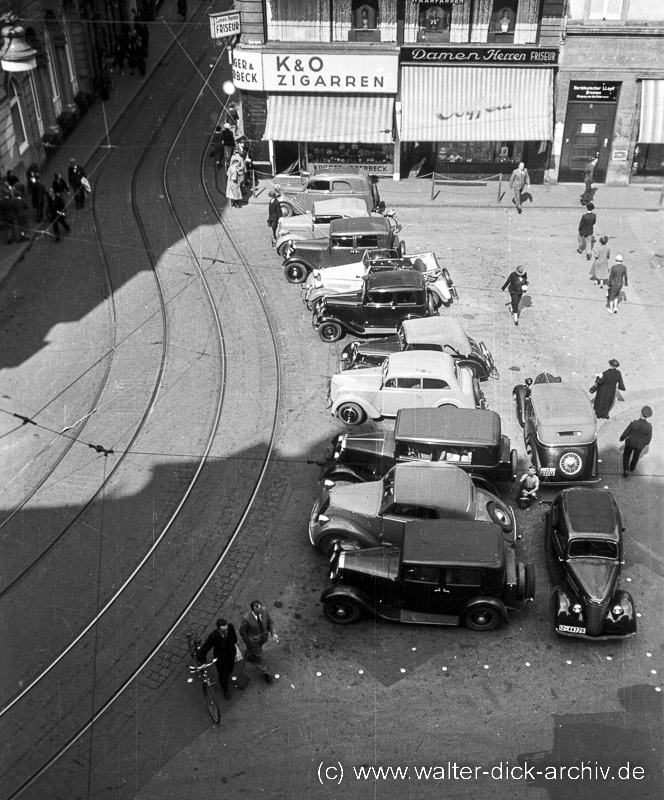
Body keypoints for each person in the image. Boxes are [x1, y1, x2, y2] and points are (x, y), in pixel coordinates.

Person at [197, 618, 238, 700]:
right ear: (218, 629)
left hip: (230, 654)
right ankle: (224, 688)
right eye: (224, 631)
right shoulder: (213, 636)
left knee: (230, 670)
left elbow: (234, 639)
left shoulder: (230, 627)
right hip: (221, 659)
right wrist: (203, 662)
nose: (226, 631)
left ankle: (226, 680)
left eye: (226, 629)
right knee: (224, 674)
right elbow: (204, 649)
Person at [239, 600, 279, 683]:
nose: (260, 612)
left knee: (253, 651)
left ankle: (249, 654)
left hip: (263, 638)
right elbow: (242, 631)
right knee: (261, 658)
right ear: (252, 610)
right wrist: (248, 642)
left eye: (260, 610)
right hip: (253, 642)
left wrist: (273, 633)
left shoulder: (264, 610)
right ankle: (266, 673)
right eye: (257, 611)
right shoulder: (246, 619)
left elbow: (270, 622)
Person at [620, 406, 653, 477]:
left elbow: (627, 432)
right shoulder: (649, 426)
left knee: (626, 455)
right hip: (639, 445)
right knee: (636, 456)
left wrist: (622, 438)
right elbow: (649, 438)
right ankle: (632, 468)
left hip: (630, 443)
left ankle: (625, 470)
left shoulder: (634, 423)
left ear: (641, 414)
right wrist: (645, 443)